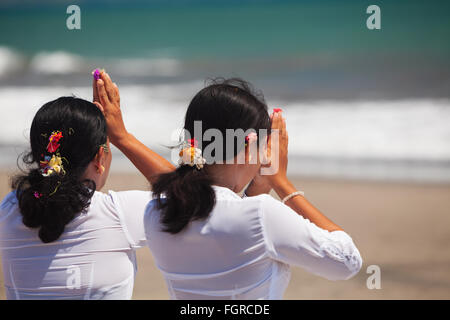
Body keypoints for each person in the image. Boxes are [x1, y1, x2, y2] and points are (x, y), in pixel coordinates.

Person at [143, 78, 363, 299]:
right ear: (248, 148)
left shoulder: (155, 211)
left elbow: (228, 225)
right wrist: (281, 183)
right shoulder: (261, 214)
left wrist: (259, 188)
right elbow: (347, 261)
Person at [0, 70, 174, 299]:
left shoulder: (9, 211)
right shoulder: (118, 215)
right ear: (99, 159)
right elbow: (191, 194)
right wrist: (122, 136)